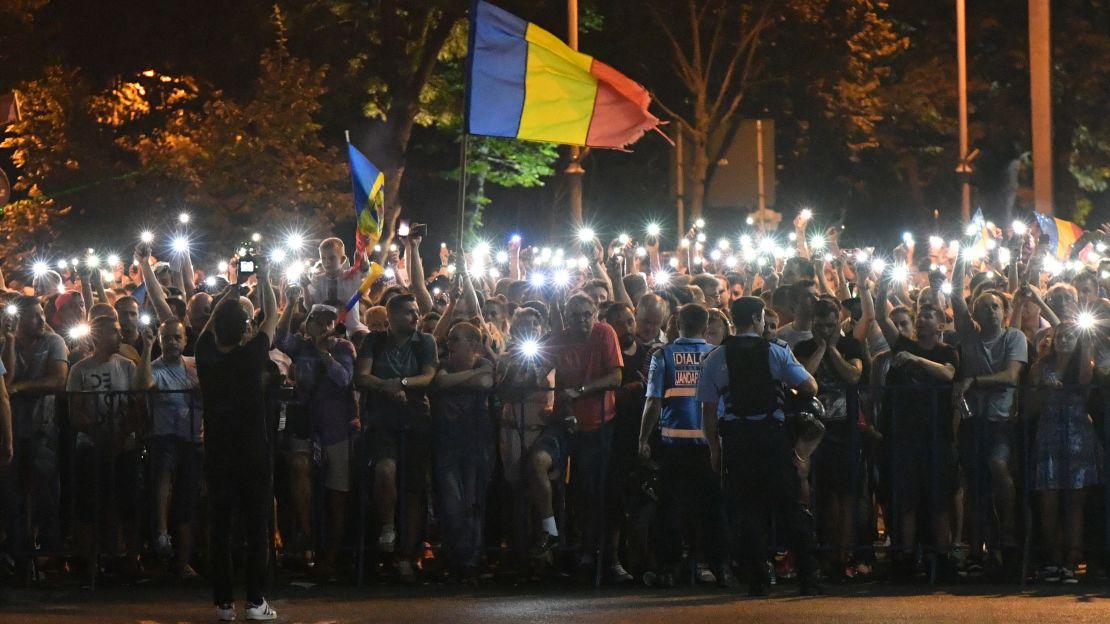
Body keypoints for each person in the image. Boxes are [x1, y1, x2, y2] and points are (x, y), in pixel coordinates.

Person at [697, 296, 819, 596]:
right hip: (771, 437)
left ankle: (757, 580)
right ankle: (807, 578)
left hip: (737, 439)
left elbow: (709, 412)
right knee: (789, 508)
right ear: (755, 318)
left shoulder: (715, 358)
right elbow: (809, 386)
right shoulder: (776, 352)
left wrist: (714, 449)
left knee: (747, 512)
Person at [195, 264, 280, 621]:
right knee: (255, 527)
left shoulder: (205, 356)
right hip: (252, 454)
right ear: (245, 328)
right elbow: (273, 314)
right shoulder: (252, 356)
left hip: (217, 453)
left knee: (220, 527)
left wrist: (231, 291)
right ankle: (256, 601)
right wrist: (265, 277)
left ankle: (224, 604)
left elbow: (209, 325)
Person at [527, 293, 622, 583]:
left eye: (587, 314)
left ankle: (588, 552)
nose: (582, 320)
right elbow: (538, 372)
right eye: (575, 315)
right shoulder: (559, 338)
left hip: (597, 425)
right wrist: (529, 368)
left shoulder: (605, 333)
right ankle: (551, 531)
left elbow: (616, 377)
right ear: (565, 317)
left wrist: (580, 390)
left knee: (589, 492)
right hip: (565, 424)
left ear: (595, 313)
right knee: (537, 462)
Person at [640, 303, 732, 588]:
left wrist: (643, 439)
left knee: (670, 508)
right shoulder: (717, 355)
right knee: (713, 508)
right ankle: (720, 567)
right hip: (709, 444)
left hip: (673, 444)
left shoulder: (663, 355)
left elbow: (653, 401)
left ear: (677, 323)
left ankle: (669, 568)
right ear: (706, 328)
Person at [875, 278, 960, 580]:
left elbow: (948, 374)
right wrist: (880, 286)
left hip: (937, 437)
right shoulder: (903, 344)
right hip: (906, 437)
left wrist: (915, 360)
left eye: (928, 316)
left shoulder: (947, 352)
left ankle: (944, 558)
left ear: (940, 325)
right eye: (919, 315)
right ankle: (906, 558)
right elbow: (881, 318)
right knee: (907, 500)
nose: (922, 319)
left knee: (939, 501)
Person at [950, 256, 1028, 575]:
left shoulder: (1015, 338)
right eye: (984, 307)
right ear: (976, 313)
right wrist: (959, 257)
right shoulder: (969, 337)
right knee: (975, 486)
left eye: (995, 306)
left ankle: (1007, 538)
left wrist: (974, 381)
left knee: (998, 468)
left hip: (1001, 422)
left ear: (1005, 311)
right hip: (973, 422)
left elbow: (1011, 376)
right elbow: (955, 296)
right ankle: (980, 548)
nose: (990, 311)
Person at [355, 294, 437, 583]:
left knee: (414, 489)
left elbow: (428, 376)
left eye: (416, 312)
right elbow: (362, 376)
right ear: (390, 317)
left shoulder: (425, 342)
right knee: (384, 469)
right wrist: (387, 388)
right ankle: (388, 528)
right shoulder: (373, 341)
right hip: (381, 421)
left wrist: (401, 383)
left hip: (416, 421)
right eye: (408, 313)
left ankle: (407, 555)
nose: (416, 317)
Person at [275, 302, 358, 579]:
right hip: (306, 425)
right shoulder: (300, 346)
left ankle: (330, 558)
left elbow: (343, 379)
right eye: (317, 321)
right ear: (307, 324)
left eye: (328, 322)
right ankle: (308, 534)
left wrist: (325, 354)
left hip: (335, 428)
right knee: (299, 466)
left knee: (337, 495)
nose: (323, 328)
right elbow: (279, 338)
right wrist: (288, 302)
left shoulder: (343, 349)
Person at [793, 298, 865, 579]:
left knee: (847, 495)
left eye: (831, 325)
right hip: (813, 431)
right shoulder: (803, 348)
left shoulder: (850, 346)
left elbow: (853, 376)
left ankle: (843, 555)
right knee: (821, 496)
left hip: (844, 430)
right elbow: (803, 377)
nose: (826, 330)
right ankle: (824, 551)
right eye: (821, 325)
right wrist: (822, 348)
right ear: (813, 324)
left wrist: (833, 348)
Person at [67, 316, 142, 580]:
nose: (120, 337)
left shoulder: (129, 367)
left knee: (127, 503)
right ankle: (89, 562)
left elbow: (136, 407)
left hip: (124, 446)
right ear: (98, 336)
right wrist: (98, 434)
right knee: (89, 504)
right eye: (114, 332)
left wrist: (120, 436)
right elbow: (74, 412)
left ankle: (129, 560)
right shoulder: (79, 370)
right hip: (90, 446)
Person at [1029, 322, 1101, 583]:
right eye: (1061, 335)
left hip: (1077, 436)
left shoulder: (1083, 365)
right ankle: (1053, 558)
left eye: (1072, 335)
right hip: (1049, 435)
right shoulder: (1040, 367)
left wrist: (1087, 345)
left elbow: (1084, 381)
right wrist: (1042, 387)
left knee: (1074, 502)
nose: (1065, 339)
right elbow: (1031, 405)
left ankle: (1071, 560)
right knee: (1049, 500)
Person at [1, 296, 66, 580]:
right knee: (12, 498)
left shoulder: (54, 343)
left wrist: (19, 388)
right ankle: (20, 559)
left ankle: (50, 555)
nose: (41, 321)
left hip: (43, 429)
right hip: (12, 431)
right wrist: (9, 340)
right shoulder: (6, 341)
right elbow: (6, 379)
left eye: (42, 314)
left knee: (46, 495)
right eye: (34, 316)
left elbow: (57, 380)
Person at [135, 318, 202, 580]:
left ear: (185, 340)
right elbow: (142, 385)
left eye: (177, 337)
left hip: (193, 439)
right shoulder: (155, 368)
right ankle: (161, 532)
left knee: (187, 499)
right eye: (167, 338)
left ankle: (183, 561)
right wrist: (147, 346)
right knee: (163, 476)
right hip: (165, 437)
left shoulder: (195, 365)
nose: (172, 342)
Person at [431, 321, 495, 582]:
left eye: (456, 339)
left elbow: (486, 383)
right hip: (448, 442)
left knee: (473, 502)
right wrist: (468, 378)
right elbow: (441, 382)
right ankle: (455, 555)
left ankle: (470, 558)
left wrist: (455, 382)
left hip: (476, 441)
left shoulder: (482, 365)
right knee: (451, 503)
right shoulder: (446, 365)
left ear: (473, 345)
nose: (450, 344)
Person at [496, 307, 555, 567]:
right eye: (524, 325)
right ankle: (520, 552)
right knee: (516, 491)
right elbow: (506, 390)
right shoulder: (506, 359)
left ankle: (546, 555)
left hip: (539, 430)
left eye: (534, 324)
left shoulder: (549, 359)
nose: (530, 329)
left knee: (540, 489)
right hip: (513, 430)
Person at [306, 238, 370, 343]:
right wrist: (305, 288)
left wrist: (363, 251)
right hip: (324, 329)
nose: (327, 262)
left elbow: (364, 269)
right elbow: (310, 306)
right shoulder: (317, 280)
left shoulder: (351, 276)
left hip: (352, 329)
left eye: (332, 258)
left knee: (364, 338)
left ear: (342, 259)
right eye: (323, 258)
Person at [776, 280, 819, 347]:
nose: (816, 299)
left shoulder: (827, 331)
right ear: (794, 304)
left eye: (816, 295)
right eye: (808, 296)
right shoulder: (781, 337)